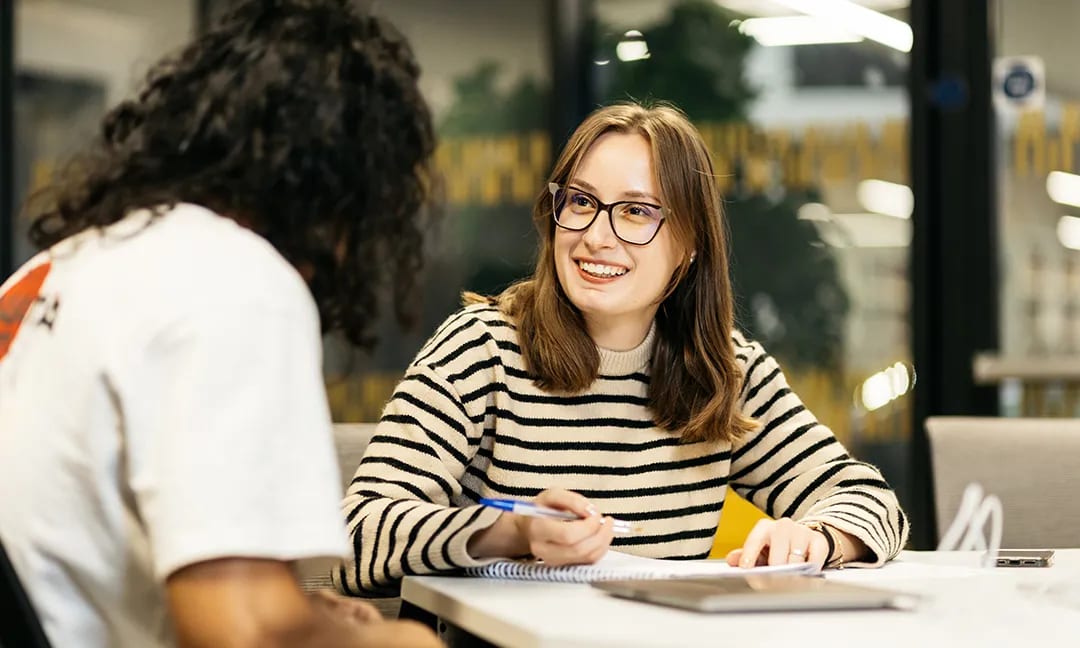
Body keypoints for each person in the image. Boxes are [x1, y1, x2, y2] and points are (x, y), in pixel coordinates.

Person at [0, 1, 440, 646]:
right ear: (345, 189)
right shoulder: (235, 281)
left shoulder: (58, 268)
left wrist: (309, 619)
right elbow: (242, 634)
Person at [337, 102, 909, 596]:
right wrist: (507, 533)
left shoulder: (725, 371)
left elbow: (868, 499)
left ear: (689, 244)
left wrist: (820, 537)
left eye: (636, 211)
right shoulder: (480, 349)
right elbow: (357, 536)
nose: (595, 234)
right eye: (581, 202)